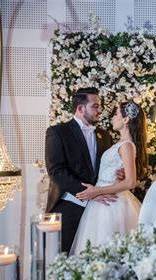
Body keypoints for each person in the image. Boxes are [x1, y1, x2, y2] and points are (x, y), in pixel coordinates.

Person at [45, 87, 118, 254]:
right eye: (95, 106)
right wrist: (90, 194)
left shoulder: (104, 136)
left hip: (100, 209)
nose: (100, 110)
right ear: (80, 108)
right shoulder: (57, 132)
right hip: (70, 207)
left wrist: (117, 173)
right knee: (66, 260)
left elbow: (106, 167)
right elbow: (56, 171)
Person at [70, 102, 148, 255]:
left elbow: (130, 182)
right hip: (102, 202)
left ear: (126, 120)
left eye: (116, 114)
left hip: (113, 203)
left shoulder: (127, 146)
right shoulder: (120, 144)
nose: (112, 118)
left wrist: (97, 191)